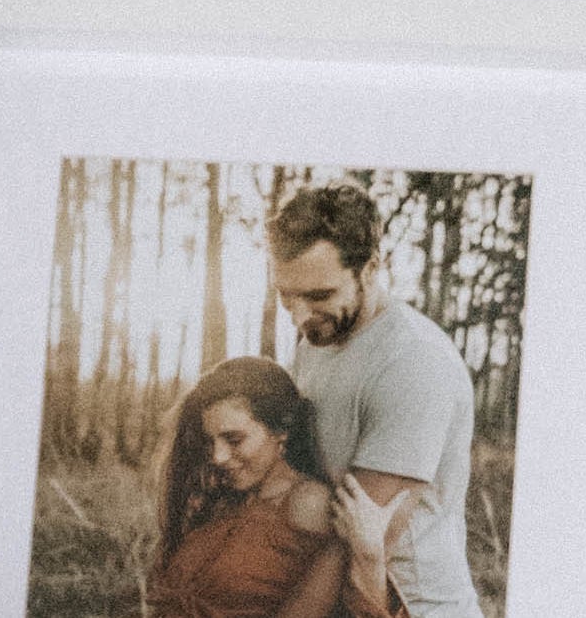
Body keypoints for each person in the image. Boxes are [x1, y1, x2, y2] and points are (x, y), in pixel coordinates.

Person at [265, 185, 481, 618]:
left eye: (320, 295)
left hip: (413, 607)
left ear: (371, 268)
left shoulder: (413, 362)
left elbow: (356, 544)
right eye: (287, 294)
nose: (300, 315)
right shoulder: (317, 338)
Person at [143, 358, 345, 618]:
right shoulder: (222, 498)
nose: (218, 457)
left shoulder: (308, 502)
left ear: (281, 431)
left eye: (234, 440)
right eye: (210, 441)